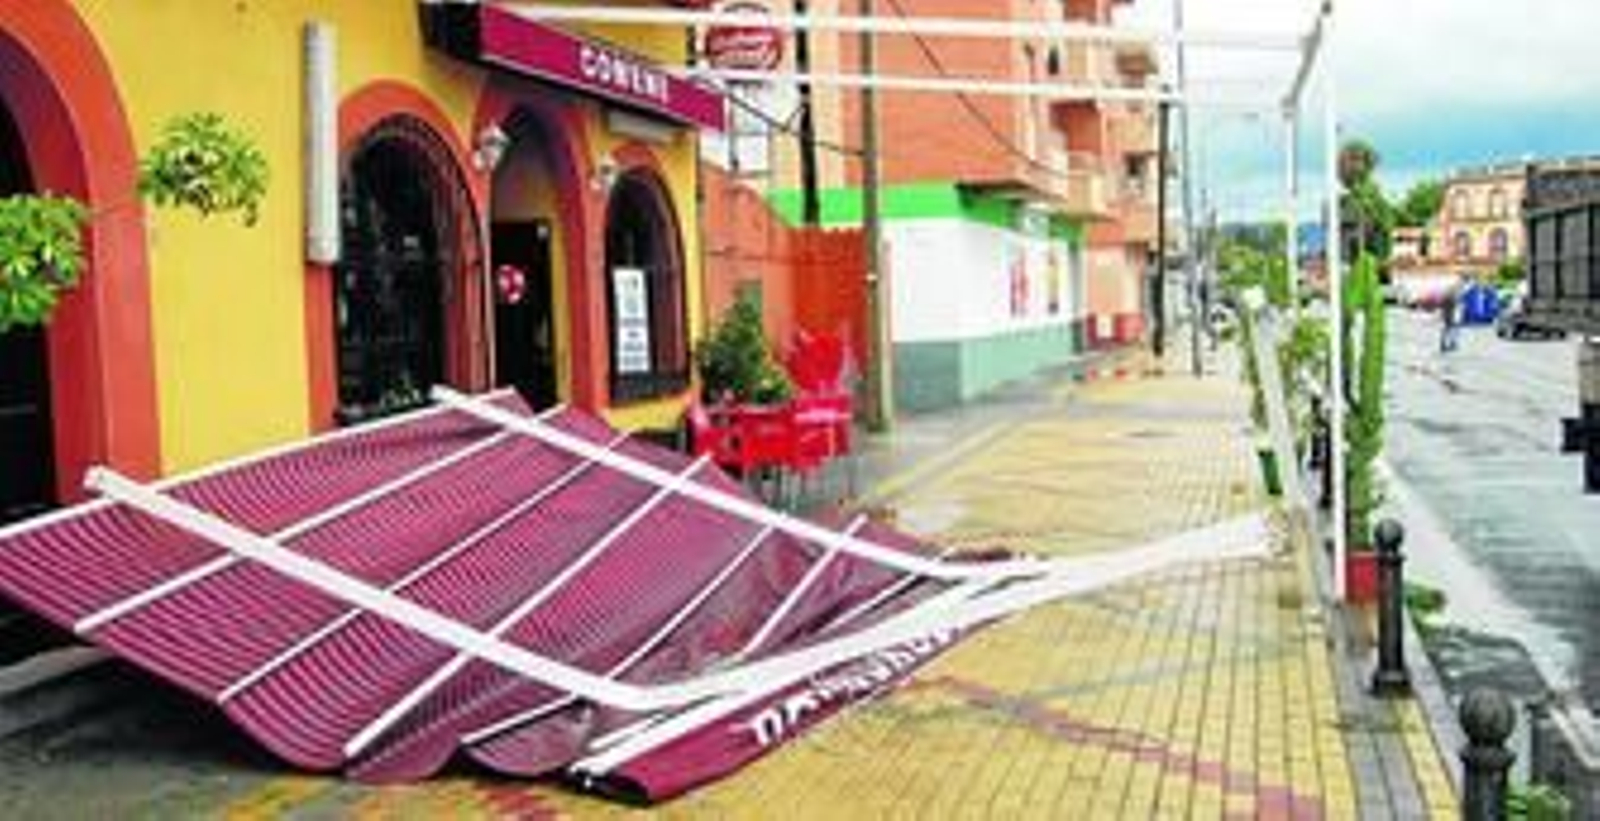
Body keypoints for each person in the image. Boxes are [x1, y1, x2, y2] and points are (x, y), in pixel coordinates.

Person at [1438, 278, 1462, 353]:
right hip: (1450, 316)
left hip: (1449, 316)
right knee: (1450, 329)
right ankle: (1448, 344)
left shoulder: (1448, 297)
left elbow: (1443, 308)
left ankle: (1448, 344)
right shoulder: (1451, 298)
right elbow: (1452, 307)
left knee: (1449, 330)